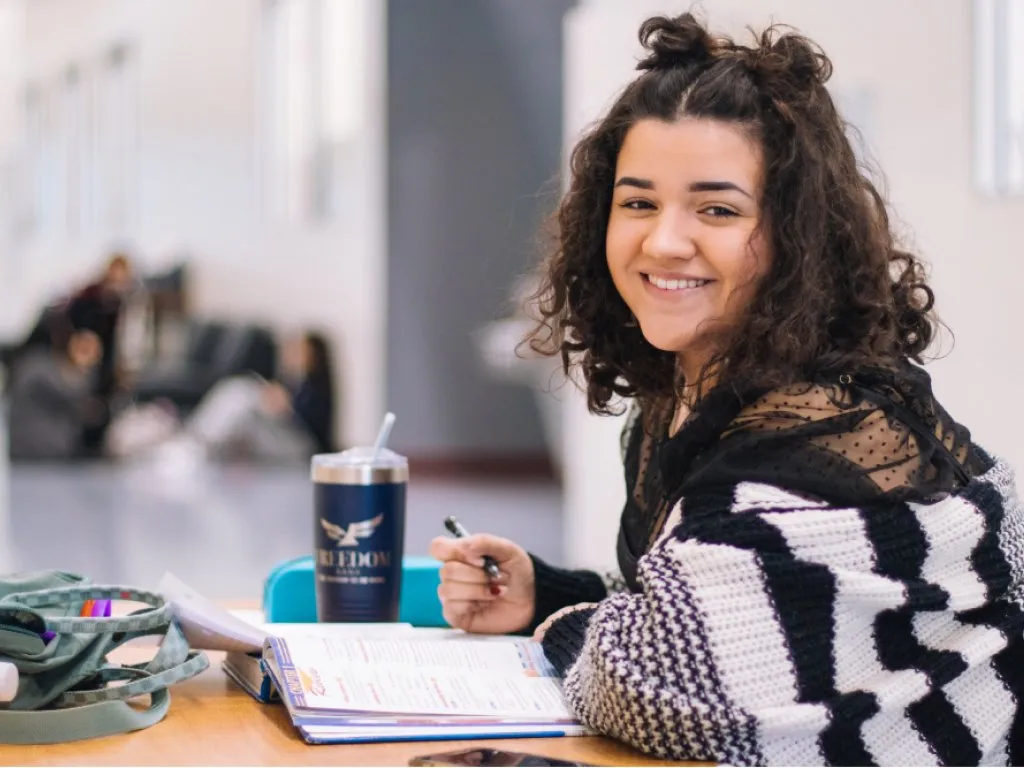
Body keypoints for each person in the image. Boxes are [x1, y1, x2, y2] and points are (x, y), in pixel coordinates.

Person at [430, 12, 1024, 766]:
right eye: (638, 202)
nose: (664, 240)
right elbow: (730, 597)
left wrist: (560, 624)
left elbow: (661, 690)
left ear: (793, 236)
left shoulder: (811, 439)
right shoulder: (685, 401)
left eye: (717, 209)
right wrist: (545, 592)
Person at [146, 331, 336, 463]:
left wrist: (285, 407)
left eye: (300, 349)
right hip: (281, 434)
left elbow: (308, 424)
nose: (292, 353)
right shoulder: (290, 381)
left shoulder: (314, 388)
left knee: (243, 397)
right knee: (239, 390)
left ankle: (195, 442)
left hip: (300, 446)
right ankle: (195, 439)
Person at [8, 330, 104, 460]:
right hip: (41, 453)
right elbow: (72, 393)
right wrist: (85, 367)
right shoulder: (38, 366)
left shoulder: (30, 364)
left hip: (32, 453)